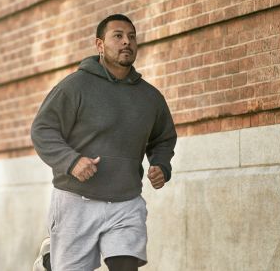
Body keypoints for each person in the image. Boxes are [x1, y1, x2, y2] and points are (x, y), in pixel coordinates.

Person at [30, 14, 177, 271]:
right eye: (118, 36)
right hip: (77, 199)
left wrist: (161, 165)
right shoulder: (75, 87)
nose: (126, 42)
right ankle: (50, 260)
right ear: (100, 45)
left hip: (126, 201)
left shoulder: (150, 97)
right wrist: (72, 161)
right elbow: (43, 129)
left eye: (131, 37)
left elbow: (163, 138)